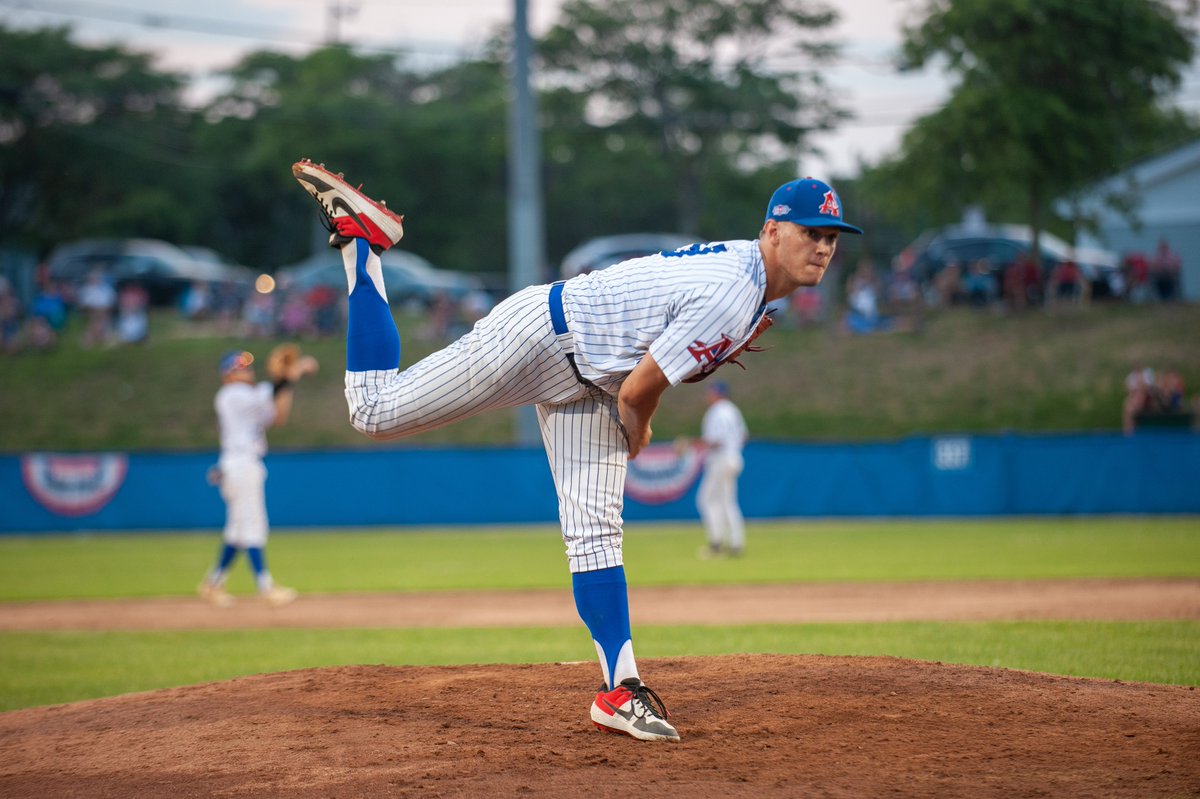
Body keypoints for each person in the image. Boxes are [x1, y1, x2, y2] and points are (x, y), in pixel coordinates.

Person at [291, 160, 863, 743]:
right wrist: (639, 429)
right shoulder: (735, 292)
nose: (821, 247)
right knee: (373, 410)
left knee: (595, 532)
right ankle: (364, 245)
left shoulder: (754, 284)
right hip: (543, 336)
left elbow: (644, 369)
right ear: (772, 230)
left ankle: (621, 690)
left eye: (830, 237)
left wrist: (635, 413)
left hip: (588, 378)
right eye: (809, 232)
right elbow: (640, 389)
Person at [197, 347, 317, 607]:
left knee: (237, 531)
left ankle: (213, 582)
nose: (246, 371)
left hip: (242, 464)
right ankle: (266, 586)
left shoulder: (249, 396)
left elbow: (278, 416)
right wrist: (292, 372)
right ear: (226, 374)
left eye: (248, 366)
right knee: (253, 526)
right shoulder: (230, 395)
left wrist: (287, 380)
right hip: (240, 464)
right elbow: (270, 393)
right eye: (239, 367)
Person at [694, 382, 748, 558]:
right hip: (734, 458)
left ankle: (717, 542)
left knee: (707, 500)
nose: (709, 396)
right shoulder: (733, 410)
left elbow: (716, 442)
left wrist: (693, 444)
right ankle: (735, 542)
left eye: (711, 393)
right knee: (727, 501)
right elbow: (744, 436)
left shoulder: (716, 411)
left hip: (720, 460)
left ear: (718, 394)